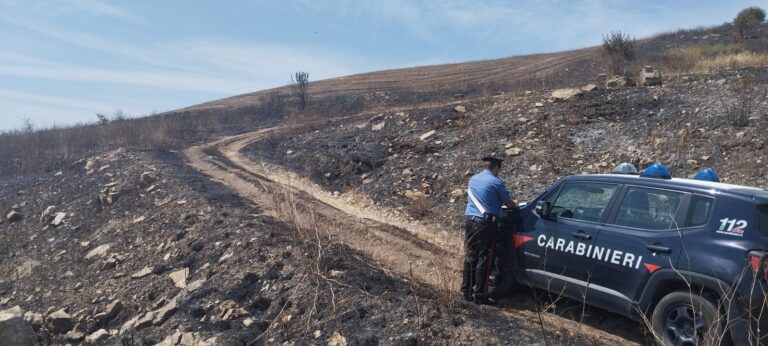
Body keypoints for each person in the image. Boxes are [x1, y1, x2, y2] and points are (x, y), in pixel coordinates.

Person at [462, 156, 517, 304]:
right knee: (484, 259)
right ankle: (480, 296)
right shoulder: (496, 182)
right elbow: (509, 204)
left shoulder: (473, 179)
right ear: (496, 167)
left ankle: (465, 292)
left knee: (470, 257)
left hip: (469, 222)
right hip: (485, 224)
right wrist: (515, 202)